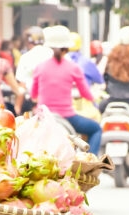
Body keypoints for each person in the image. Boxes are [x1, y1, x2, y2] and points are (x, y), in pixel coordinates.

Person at [32, 25, 102, 155]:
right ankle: (90, 162)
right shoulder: (73, 68)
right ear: (67, 48)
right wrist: (94, 97)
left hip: (42, 117)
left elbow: (33, 94)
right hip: (67, 117)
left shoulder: (40, 68)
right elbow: (86, 94)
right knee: (96, 129)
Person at [16, 25, 53, 111]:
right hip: (54, 101)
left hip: (34, 103)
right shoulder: (52, 53)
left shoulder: (26, 57)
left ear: (28, 41)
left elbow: (22, 85)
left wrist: (17, 107)